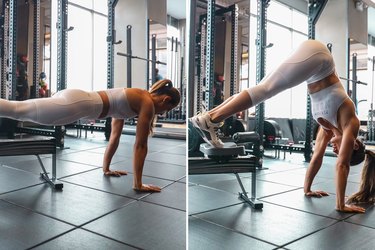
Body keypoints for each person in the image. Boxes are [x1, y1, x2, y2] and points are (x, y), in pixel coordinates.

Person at [191, 40, 373, 213]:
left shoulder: (327, 129)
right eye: (342, 150)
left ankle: (208, 117)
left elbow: (316, 158)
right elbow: (342, 166)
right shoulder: (351, 122)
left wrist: (307, 189)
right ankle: (211, 119)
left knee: (262, 88)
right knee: (266, 90)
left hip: (314, 61)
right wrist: (340, 204)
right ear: (354, 145)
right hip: (320, 59)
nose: (336, 151)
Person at [0, 79, 181, 192]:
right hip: (75, 105)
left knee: (17, 110)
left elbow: (114, 137)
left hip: (76, 101)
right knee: (16, 110)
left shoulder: (135, 99)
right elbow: (140, 145)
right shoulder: (146, 103)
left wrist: (106, 168)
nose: (164, 113)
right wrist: (138, 184)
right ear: (165, 99)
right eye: (168, 109)